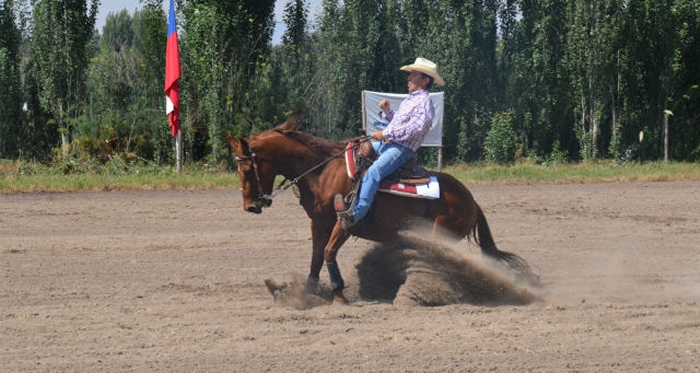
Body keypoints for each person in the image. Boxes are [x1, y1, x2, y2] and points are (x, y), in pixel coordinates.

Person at [335, 57, 444, 230]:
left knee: (374, 173)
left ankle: (355, 215)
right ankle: (349, 193)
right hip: (392, 143)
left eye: (413, 75)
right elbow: (400, 125)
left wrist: (386, 133)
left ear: (425, 80)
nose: (409, 78)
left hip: (402, 149)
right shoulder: (412, 99)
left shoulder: (424, 102)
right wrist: (388, 112)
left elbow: (414, 129)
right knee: (356, 148)